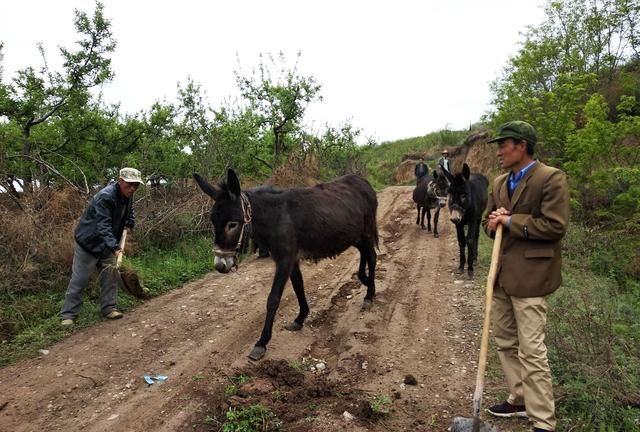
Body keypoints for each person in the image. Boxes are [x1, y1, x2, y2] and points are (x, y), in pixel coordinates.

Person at [482, 121, 569, 432]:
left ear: (521, 145)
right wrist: (492, 223)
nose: (498, 151)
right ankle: (519, 399)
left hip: (532, 277)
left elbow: (555, 226)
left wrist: (512, 220)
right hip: (502, 276)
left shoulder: (550, 177)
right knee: (505, 341)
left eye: (503, 144)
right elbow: (488, 223)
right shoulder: (498, 182)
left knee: (531, 349)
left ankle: (543, 421)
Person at [60, 167, 144, 326]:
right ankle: (68, 314)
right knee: (80, 279)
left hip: (108, 242)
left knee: (110, 277)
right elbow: (103, 225)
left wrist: (129, 222)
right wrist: (115, 246)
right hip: (89, 243)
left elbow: (129, 210)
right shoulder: (105, 197)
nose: (133, 188)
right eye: (130, 184)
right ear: (121, 181)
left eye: (136, 185)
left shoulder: (128, 195)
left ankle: (109, 308)